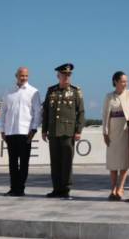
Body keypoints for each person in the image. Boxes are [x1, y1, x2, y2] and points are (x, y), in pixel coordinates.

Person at [41, 63, 85, 200]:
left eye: (68, 75)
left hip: (68, 132)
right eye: (64, 75)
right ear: (58, 76)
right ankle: (56, 189)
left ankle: (65, 189)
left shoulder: (76, 91)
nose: (66, 77)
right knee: (55, 162)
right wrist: (44, 130)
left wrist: (78, 130)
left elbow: (81, 112)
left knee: (66, 162)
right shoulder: (51, 91)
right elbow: (46, 112)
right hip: (53, 132)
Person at [102, 71, 129, 200]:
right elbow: (105, 115)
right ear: (115, 82)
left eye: (126, 81)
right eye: (122, 81)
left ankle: (121, 188)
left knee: (124, 162)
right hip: (112, 132)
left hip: (125, 131)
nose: (125, 84)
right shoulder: (109, 97)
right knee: (113, 163)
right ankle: (113, 188)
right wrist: (104, 132)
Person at [0, 66, 41, 197]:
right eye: (21, 75)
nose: (24, 78)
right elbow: (3, 112)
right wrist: (2, 129)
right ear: (16, 76)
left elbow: (37, 112)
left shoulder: (33, 92)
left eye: (26, 76)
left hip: (25, 133)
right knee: (12, 162)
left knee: (23, 163)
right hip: (11, 132)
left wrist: (33, 130)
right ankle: (13, 188)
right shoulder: (8, 92)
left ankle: (20, 188)